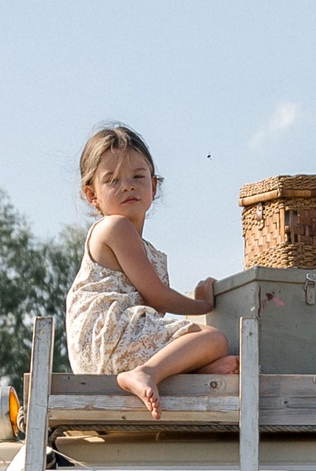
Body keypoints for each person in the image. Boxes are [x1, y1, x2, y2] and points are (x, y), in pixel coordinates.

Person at [67, 124, 238, 418]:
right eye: (112, 180)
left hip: (111, 346)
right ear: (91, 195)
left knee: (212, 353)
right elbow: (157, 297)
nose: (128, 186)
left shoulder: (139, 244)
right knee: (215, 339)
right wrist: (202, 305)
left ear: (154, 185)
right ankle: (146, 371)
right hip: (111, 337)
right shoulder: (115, 227)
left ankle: (176, 370)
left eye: (137, 176)